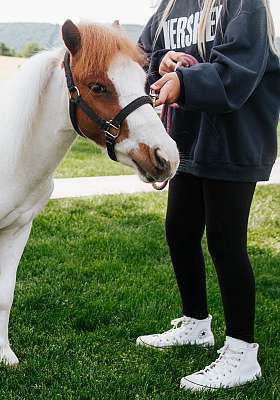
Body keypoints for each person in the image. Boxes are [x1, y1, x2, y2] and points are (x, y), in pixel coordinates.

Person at [136, 0, 280, 391]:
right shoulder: (169, 7)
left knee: (224, 241)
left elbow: (242, 68)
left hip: (235, 138)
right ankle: (196, 324)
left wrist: (186, 82)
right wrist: (163, 65)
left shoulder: (244, 4)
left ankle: (242, 353)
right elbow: (147, 54)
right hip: (189, 138)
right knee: (179, 230)